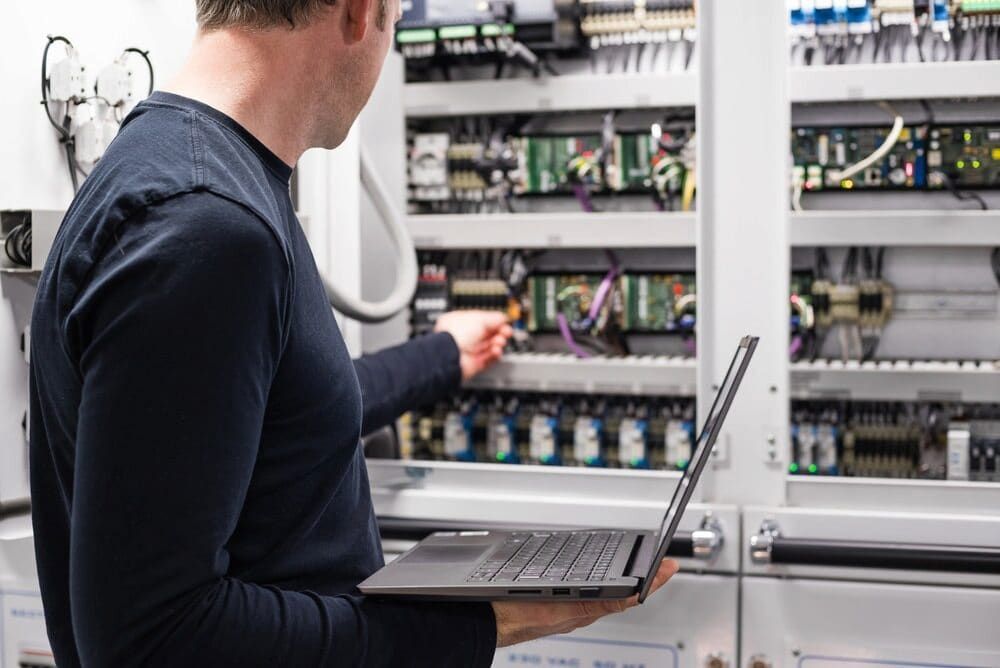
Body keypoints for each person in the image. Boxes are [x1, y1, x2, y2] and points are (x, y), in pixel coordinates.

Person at [28, 0, 679, 665]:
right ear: (359, 13)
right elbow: (154, 639)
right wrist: (482, 625)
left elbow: (277, 418)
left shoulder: (181, 174)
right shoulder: (207, 227)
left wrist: (441, 356)